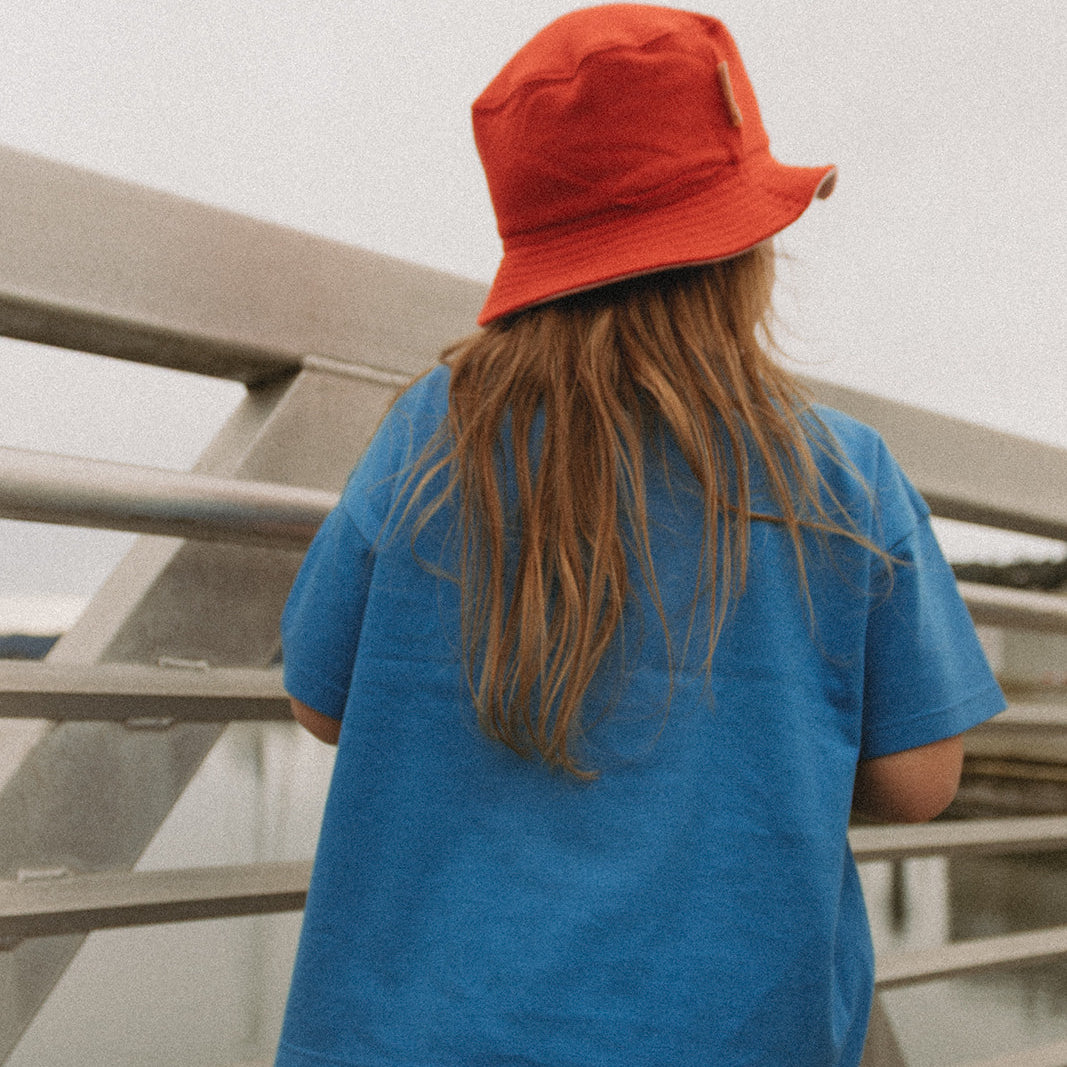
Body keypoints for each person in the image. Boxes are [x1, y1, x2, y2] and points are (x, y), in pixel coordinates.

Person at [275, 6, 1005, 1065]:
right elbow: (919, 780)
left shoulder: (433, 437)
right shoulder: (838, 472)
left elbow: (318, 698)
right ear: (740, 252)